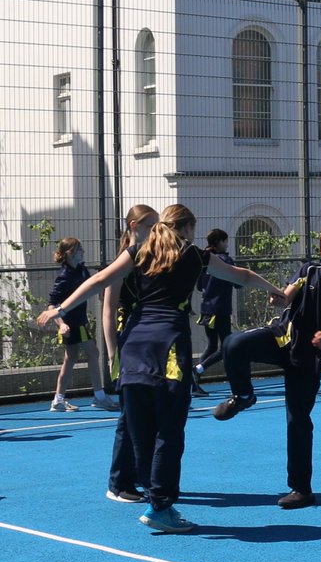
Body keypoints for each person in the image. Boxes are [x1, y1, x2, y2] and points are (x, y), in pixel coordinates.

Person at [38, 205, 281, 533]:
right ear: (187, 228)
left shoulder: (136, 252)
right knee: (169, 428)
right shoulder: (193, 255)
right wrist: (276, 292)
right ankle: (160, 506)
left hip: (133, 348)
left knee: (140, 426)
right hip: (167, 348)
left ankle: (151, 494)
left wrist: (61, 308)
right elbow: (242, 276)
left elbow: (99, 281)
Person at [212, 222, 321, 509]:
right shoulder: (309, 271)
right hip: (280, 338)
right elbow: (287, 294)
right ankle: (243, 395)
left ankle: (301, 489)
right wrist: (279, 297)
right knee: (232, 344)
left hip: (306, 360)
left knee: (298, 422)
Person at [103, 204, 158, 503]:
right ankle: (119, 482)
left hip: (147, 345)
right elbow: (108, 311)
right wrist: (112, 353)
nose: (157, 231)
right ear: (135, 225)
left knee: (146, 413)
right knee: (129, 415)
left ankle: (140, 475)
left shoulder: (150, 260)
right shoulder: (123, 261)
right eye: (152, 225)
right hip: (127, 345)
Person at [46, 238, 118, 411]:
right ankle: (99, 396)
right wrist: (61, 324)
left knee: (72, 359)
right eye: (79, 250)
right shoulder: (64, 277)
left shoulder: (82, 270)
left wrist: (103, 293)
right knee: (92, 353)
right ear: (69, 253)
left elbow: (92, 285)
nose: (83, 252)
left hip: (80, 322)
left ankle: (59, 399)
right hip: (72, 324)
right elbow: (52, 305)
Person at [192, 228, 235, 394]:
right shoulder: (226, 261)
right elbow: (237, 282)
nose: (227, 244)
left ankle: (194, 382)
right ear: (220, 242)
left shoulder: (205, 260)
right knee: (227, 347)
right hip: (221, 310)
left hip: (207, 309)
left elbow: (199, 286)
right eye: (225, 241)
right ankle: (198, 369)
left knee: (211, 345)